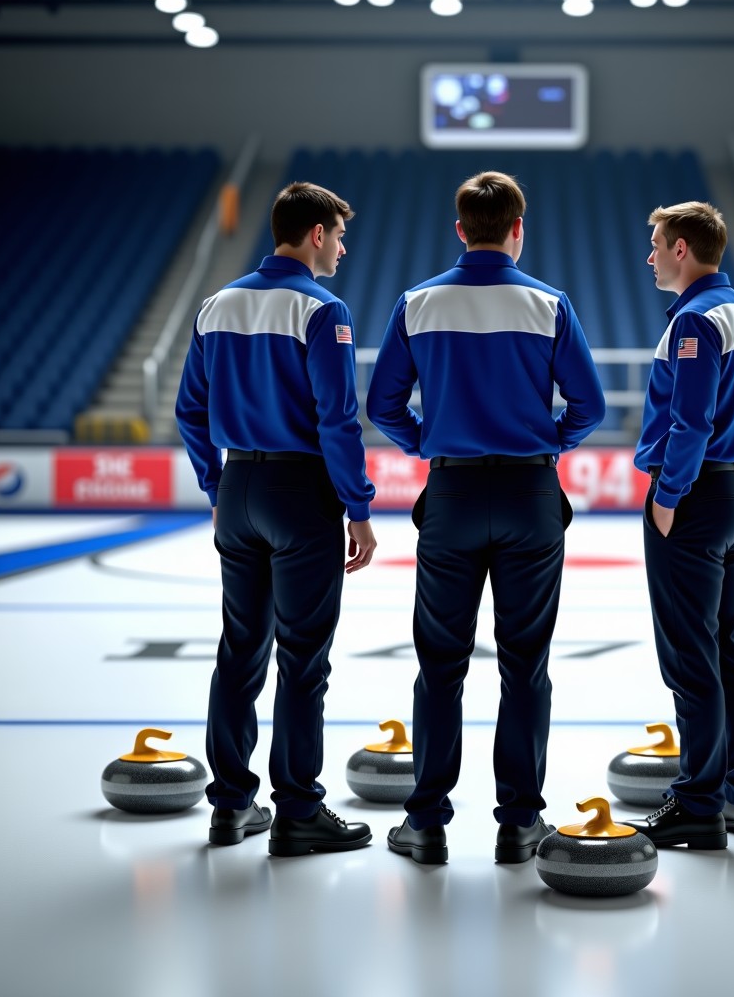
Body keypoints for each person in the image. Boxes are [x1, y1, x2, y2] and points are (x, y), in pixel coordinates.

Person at [366, 170, 605, 865]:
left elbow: (383, 407)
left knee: (440, 667)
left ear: (461, 229)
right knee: (525, 667)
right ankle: (521, 823)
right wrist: (543, 447)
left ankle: (427, 824)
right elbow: (588, 408)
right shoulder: (549, 304)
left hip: (452, 496)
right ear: (518, 230)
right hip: (531, 497)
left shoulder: (418, 303)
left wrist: (431, 442)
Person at [175, 181, 377, 856]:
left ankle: (230, 807)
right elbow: (337, 419)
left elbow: (189, 411)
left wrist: (216, 484)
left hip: (239, 485)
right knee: (302, 659)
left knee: (239, 649)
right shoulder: (322, 310)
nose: (343, 249)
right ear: (315, 233)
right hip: (301, 493)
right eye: (339, 236)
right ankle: (297, 812)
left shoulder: (215, 305)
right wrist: (359, 507)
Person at [624, 201, 734, 850]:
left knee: (691, 656)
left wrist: (668, 496)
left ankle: (699, 804)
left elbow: (692, 420)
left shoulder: (694, 320)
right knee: (729, 648)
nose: (651, 255)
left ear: (682, 248)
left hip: (696, 497)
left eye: (657, 244)